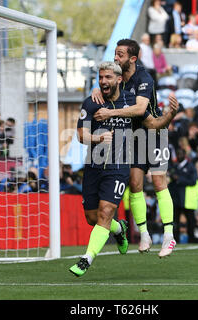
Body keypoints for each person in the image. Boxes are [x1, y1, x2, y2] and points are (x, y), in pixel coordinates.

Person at [69, 62, 178, 276]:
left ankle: (86, 259)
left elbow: (154, 125)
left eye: (108, 77)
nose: (103, 81)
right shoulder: (91, 103)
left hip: (119, 168)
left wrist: (171, 115)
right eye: (101, 77)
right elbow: (81, 135)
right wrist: (98, 138)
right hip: (93, 167)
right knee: (93, 217)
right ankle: (119, 229)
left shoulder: (131, 102)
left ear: (119, 79)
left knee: (106, 211)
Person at [90, 47, 181, 260]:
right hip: (134, 135)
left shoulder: (144, 78)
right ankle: (145, 234)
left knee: (159, 182)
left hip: (155, 131)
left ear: (132, 58)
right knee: (135, 182)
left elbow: (140, 110)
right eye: (115, 53)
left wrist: (110, 112)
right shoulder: (119, 77)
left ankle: (169, 235)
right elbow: (106, 85)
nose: (115, 57)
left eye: (120, 54)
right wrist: (97, 90)